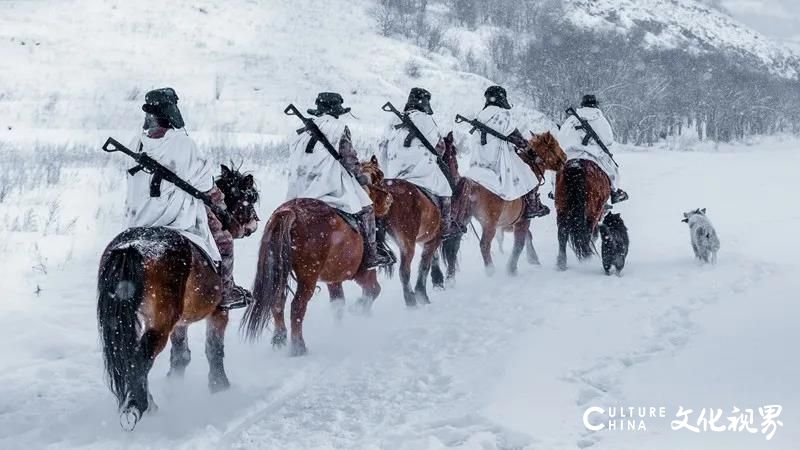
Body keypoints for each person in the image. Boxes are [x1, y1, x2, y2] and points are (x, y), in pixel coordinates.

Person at [126, 87, 252, 310]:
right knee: (224, 242)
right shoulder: (184, 144)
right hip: (177, 218)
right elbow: (205, 185)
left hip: (140, 220)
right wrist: (220, 203)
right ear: (171, 112)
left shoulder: (135, 143)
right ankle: (226, 291)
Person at [285, 92, 393, 269]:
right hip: (328, 184)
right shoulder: (338, 127)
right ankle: (371, 255)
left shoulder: (302, 131)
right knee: (367, 208)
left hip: (301, 186)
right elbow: (348, 158)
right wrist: (361, 177)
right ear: (337, 111)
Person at [379, 87, 461, 237]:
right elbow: (440, 148)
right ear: (425, 103)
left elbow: (382, 147)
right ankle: (445, 225)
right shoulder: (426, 119)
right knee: (446, 189)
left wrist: (388, 170)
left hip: (395, 172)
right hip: (421, 172)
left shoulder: (393, 119)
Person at [463, 85, 549, 218]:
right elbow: (516, 136)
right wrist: (528, 150)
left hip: (479, 159)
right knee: (528, 175)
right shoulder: (502, 114)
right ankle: (532, 206)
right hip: (499, 158)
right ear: (501, 99)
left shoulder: (480, 116)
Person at [557, 94, 628, 204]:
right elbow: (608, 140)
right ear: (595, 104)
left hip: (571, 155)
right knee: (612, 170)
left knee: (556, 173)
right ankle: (614, 192)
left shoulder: (571, 119)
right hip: (594, 156)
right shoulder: (600, 119)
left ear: (582, 104)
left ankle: (554, 192)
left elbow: (561, 139)